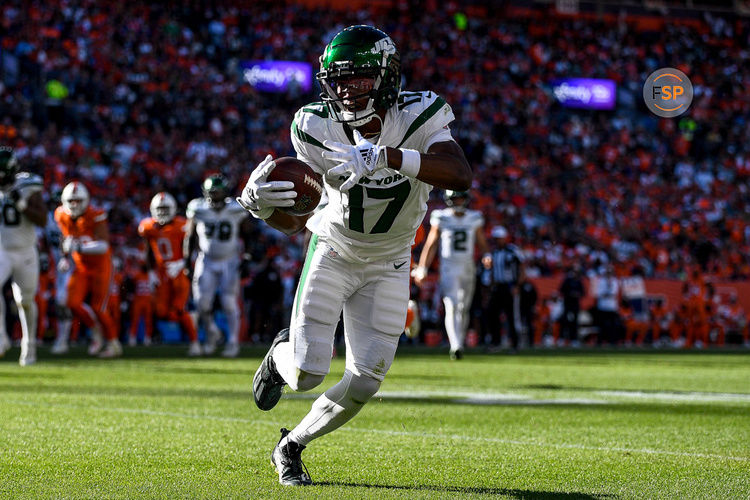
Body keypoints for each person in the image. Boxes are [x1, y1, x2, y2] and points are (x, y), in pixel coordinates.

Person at [237, 25, 471, 486]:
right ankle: (279, 355)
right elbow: (299, 217)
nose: (345, 89)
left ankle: (291, 445)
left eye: (358, 78)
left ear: (386, 77)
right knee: (305, 373)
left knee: (366, 380)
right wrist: (263, 209)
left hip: (392, 260)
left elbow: (460, 175)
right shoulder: (313, 125)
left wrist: (389, 157)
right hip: (335, 250)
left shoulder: (419, 113)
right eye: (338, 80)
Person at [413, 190, 488, 359]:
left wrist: (486, 255)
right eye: (455, 198)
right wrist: (423, 267)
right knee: (452, 305)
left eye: (461, 198)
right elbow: (431, 244)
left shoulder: (474, 217)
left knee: (463, 307)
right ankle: (456, 345)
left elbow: (482, 242)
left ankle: (459, 341)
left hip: (468, 267)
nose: (459, 201)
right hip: (448, 267)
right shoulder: (441, 216)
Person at [185, 175, 254, 357]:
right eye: (211, 193)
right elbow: (190, 236)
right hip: (206, 260)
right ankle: (212, 335)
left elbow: (248, 233)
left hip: (230, 260)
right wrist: (186, 261)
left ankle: (232, 342)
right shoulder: (197, 208)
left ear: (225, 193)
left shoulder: (235, 208)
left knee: (228, 302)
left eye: (217, 193)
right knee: (201, 303)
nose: (214, 197)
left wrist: (246, 256)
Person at [53, 181, 122, 357]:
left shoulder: (95, 214)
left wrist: (78, 248)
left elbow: (104, 246)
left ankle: (114, 343)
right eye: (71, 200)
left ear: (86, 200)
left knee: (99, 307)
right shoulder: (61, 214)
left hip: (101, 266)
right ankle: (96, 331)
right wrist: (64, 257)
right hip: (81, 266)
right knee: (72, 302)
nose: (74, 204)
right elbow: (65, 239)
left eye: (78, 200)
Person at [139, 192, 202, 356]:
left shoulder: (182, 225)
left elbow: (195, 248)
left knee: (179, 309)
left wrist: (182, 263)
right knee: (161, 312)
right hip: (161, 273)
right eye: (159, 209)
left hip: (179, 270)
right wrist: (151, 271)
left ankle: (195, 343)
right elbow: (148, 250)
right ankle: (190, 320)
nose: (162, 212)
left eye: (165, 208)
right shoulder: (147, 227)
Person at [0, 147, 47, 365]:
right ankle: (1, 338)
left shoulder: (28, 185)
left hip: (26, 251)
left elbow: (42, 220)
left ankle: (29, 347)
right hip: (2, 250)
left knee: (25, 302)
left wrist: (22, 205)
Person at [484, 225, 524, 352]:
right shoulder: (493, 253)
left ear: (504, 238)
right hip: (497, 287)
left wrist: (517, 285)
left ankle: (515, 344)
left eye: (499, 238)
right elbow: (491, 272)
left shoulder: (513, 251)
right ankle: (496, 342)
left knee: (512, 316)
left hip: (510, 286)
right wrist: (490, 287)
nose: (497, 241)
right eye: (495, 238)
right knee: (492, 314)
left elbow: (522, 269)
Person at [559, 264, 585, 346]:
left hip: (575, 304)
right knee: (564, 321)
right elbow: (562, 290)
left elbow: (583, 293)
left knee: (574, 322)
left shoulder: (579, 281)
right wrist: (570, 293)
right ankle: (562, 338)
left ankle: (574, 339)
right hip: (567, 303)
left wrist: (577, 294)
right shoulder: (567, 280)